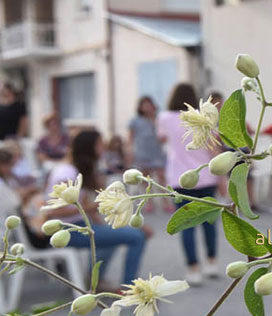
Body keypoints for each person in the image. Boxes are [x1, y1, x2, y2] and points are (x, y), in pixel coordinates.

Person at [45, 130, 149, 288]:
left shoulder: (78, 170)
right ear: (89, 148)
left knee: (116, 235)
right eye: (100, 144)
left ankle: (95, 280)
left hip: (80, 226)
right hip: (68, 230)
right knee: (137, 237)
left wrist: (105, 224)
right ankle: (129, 288)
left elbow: (90, 207)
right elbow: (54, 212)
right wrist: (95, 206)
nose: (103, 149)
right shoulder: (66, 173)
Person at [159, 83, 223, 285]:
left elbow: (161, 139)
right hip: (206, 176)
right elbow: (215, 151)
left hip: (179, 178)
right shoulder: (204, 118)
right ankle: (211, 262)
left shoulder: (165, 118)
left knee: (186, 225)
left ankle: (193, 268)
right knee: (209, 222)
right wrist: (223, 179)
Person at [128, 96, 173, 213]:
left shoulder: (158, 119)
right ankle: (149, 202)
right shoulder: (135, 121)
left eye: (149, 104)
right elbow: (130, 138)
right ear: (140, 107)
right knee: (145, 180)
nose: (147, 107)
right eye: (144, 105)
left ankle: (166, 202)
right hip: (142, 154)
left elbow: (163, 137)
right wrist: (129, 152)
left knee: (162, 178)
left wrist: (155, 122)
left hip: (157, 154)